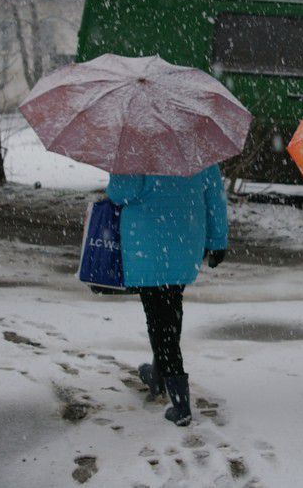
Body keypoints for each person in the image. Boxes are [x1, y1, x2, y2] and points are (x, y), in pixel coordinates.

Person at [106, 164, 228, 426]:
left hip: (147, 243)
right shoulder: (196, 150)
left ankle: (180, 403)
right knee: (170, 311)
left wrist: (120, 167)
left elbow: (120, 193)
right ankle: (158, 374)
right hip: (186, 239)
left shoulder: (135, 152)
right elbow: (214, 196)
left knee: (159, 320)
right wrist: (218, 240)